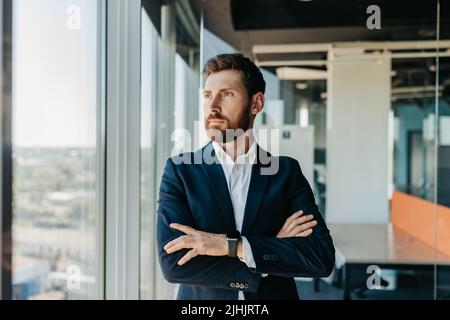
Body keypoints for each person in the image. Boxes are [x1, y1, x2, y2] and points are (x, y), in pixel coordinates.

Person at [157, 53, 335, 300]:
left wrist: (229, 246)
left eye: (226, 94)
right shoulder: (181, 171)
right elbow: (174, 264)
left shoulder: (285, 173)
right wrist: (268, 250)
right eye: (207, 95)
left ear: (256, 103)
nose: (213, 106)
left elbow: (320, 258)